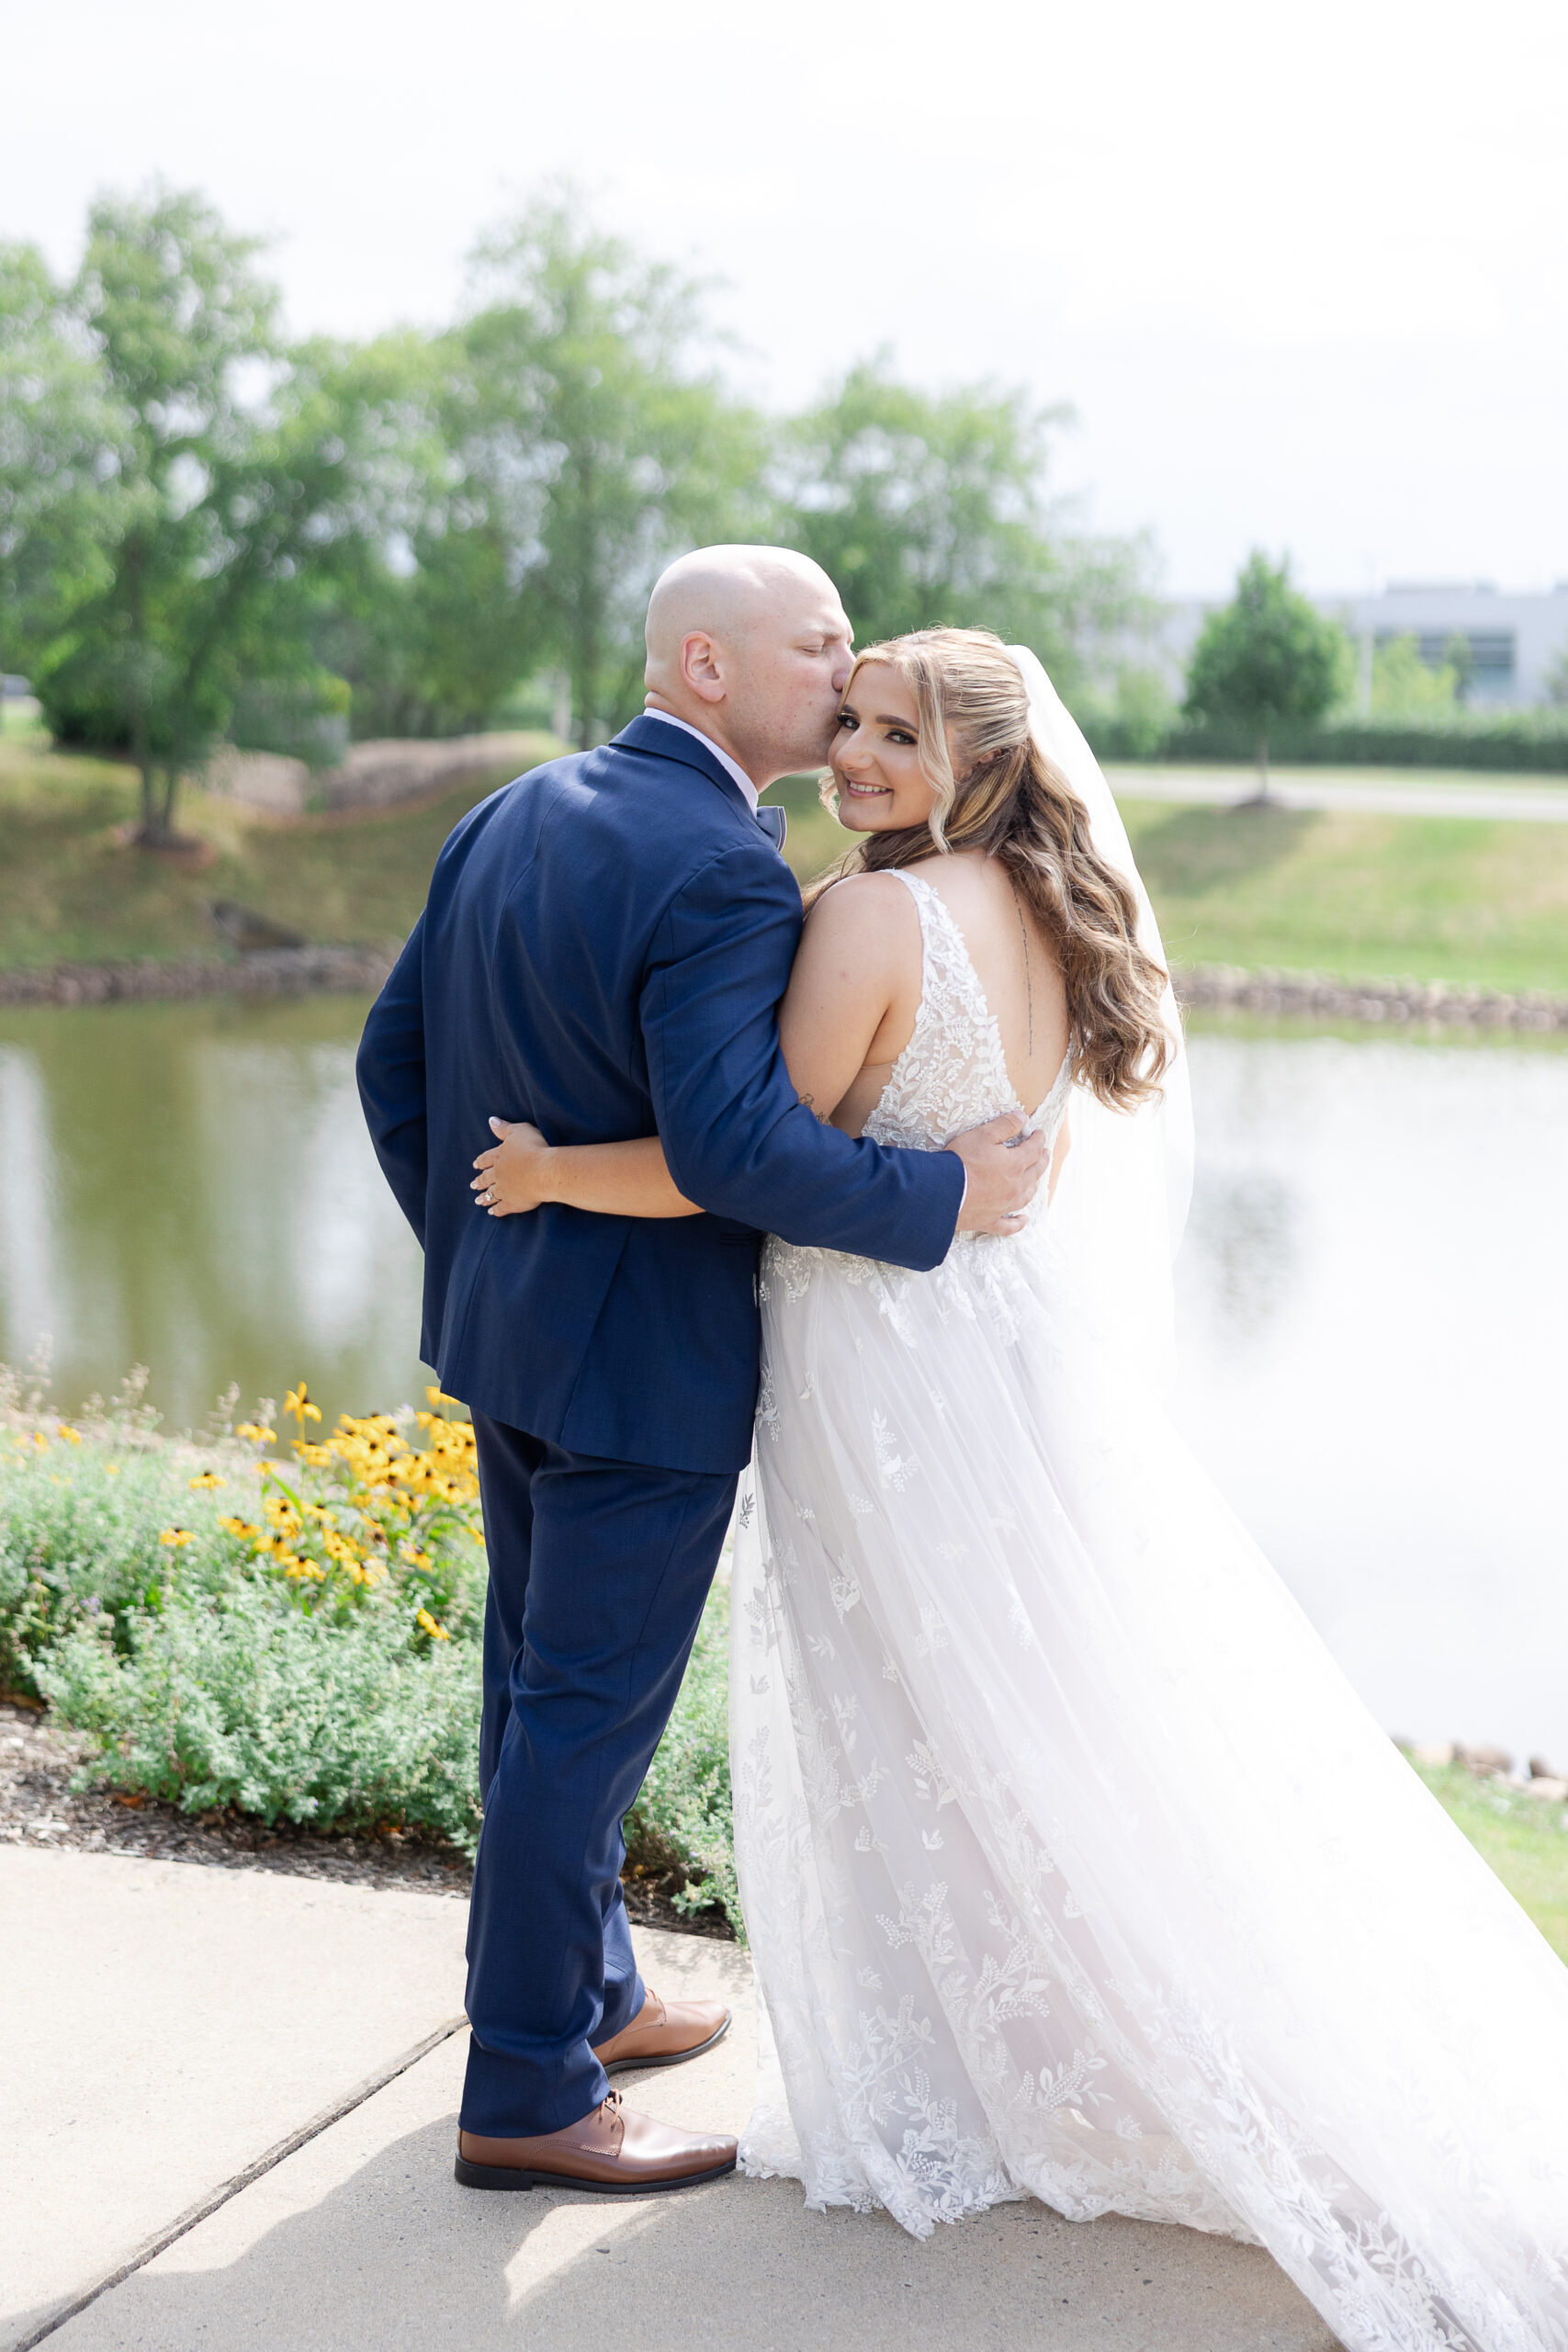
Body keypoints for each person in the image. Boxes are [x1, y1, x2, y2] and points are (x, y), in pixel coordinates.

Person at [474, 627, 1568, 2348]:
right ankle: (1047, 2055)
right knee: (1047, 1711)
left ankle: (971, 2079)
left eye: (896, 734)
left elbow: (742, 1161)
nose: (853, 754)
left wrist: (548, 1176)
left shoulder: (865, 915)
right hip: (1006, 1357)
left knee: (918, 1717)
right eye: (852, 721)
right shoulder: (1050, 907)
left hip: (881, 1364)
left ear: (981, 757)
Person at [356, 555, 1044, 2197]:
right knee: (580, 1730)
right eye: (817, 647)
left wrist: (489, 1263)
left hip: (512, 1345)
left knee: (537, 1698)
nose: (843, 663)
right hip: (640, 1377)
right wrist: (952, 1197)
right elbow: (740, 1152)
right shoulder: (726, 870)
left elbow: (396, 1062)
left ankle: (591, 1995)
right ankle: (527, 2092)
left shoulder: (513, 810)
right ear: (708, 664)